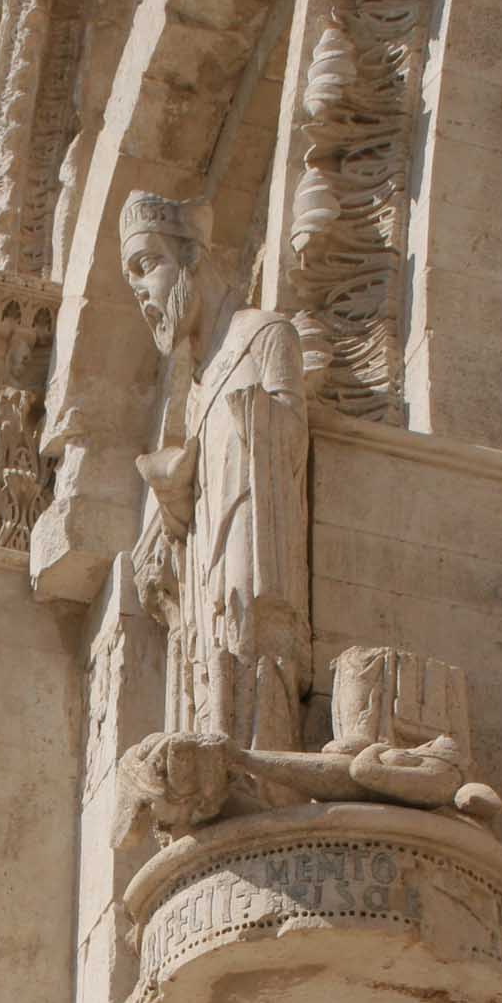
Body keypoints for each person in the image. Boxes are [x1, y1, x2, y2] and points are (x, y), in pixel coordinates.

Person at [120, 191, 311, 751]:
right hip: (209, 583)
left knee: (255, 671)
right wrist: (176, 495)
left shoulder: (265, 333)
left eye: (146, 265)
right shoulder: (193, 389)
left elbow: (293, 443)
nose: (140, 294)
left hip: (258, 558)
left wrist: (251, 421)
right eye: (131, 282)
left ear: (192, 258)